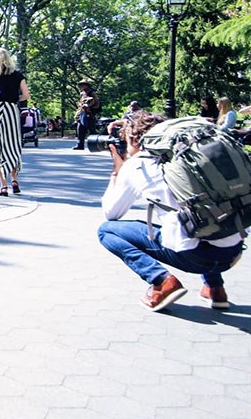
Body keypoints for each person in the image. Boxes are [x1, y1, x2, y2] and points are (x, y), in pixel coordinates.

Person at [98, 111, 242, 311]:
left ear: (133, 139)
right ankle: (215, 289)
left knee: (106, 230)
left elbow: (111, 213)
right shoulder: (192, 155)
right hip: (233, 251)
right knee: (201, 215)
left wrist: (117, 172)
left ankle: (162, 282)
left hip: (195, 258)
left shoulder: (138, 163)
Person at [0, 47, 30, 196]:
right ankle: (14, 180)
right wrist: (14, 99)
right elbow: (26, 95)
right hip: (11, 111)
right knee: (12, 145)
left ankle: (3, 186)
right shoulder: (18, 76)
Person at [73, 81, 101, 150]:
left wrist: (90, 107)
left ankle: (95, 146)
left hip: (90, 114)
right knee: (80, 130)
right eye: (81, 85)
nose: (82, 87)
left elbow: (97, 104)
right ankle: (80, 145)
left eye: (84, 85)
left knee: (92, 131)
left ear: (87, 85)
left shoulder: (92, 93)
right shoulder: (82, 94)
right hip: (82, 114)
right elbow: (80, 103)